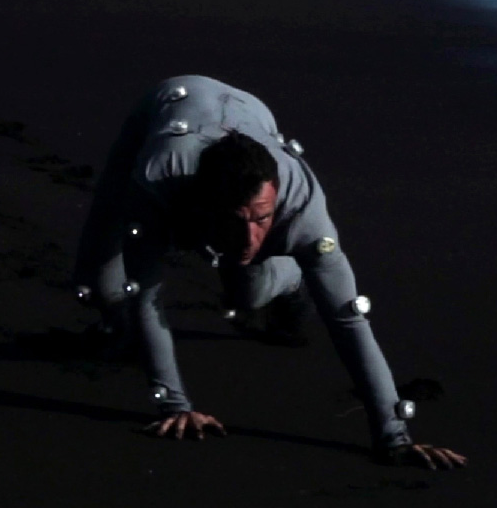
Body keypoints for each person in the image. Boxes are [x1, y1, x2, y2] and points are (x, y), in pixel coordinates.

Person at [72, 75, 466, 469]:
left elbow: (348, 321)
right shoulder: (157, 177)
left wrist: (395, 437)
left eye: (261, 219)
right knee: (100, 283)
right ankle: (120, 332)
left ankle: (292, 284)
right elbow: (146, 292)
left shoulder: (305, 213)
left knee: (251, 296)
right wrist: (174, 406)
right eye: (236, 220)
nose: (250, 238)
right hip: (166, 108)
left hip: (248, 112)